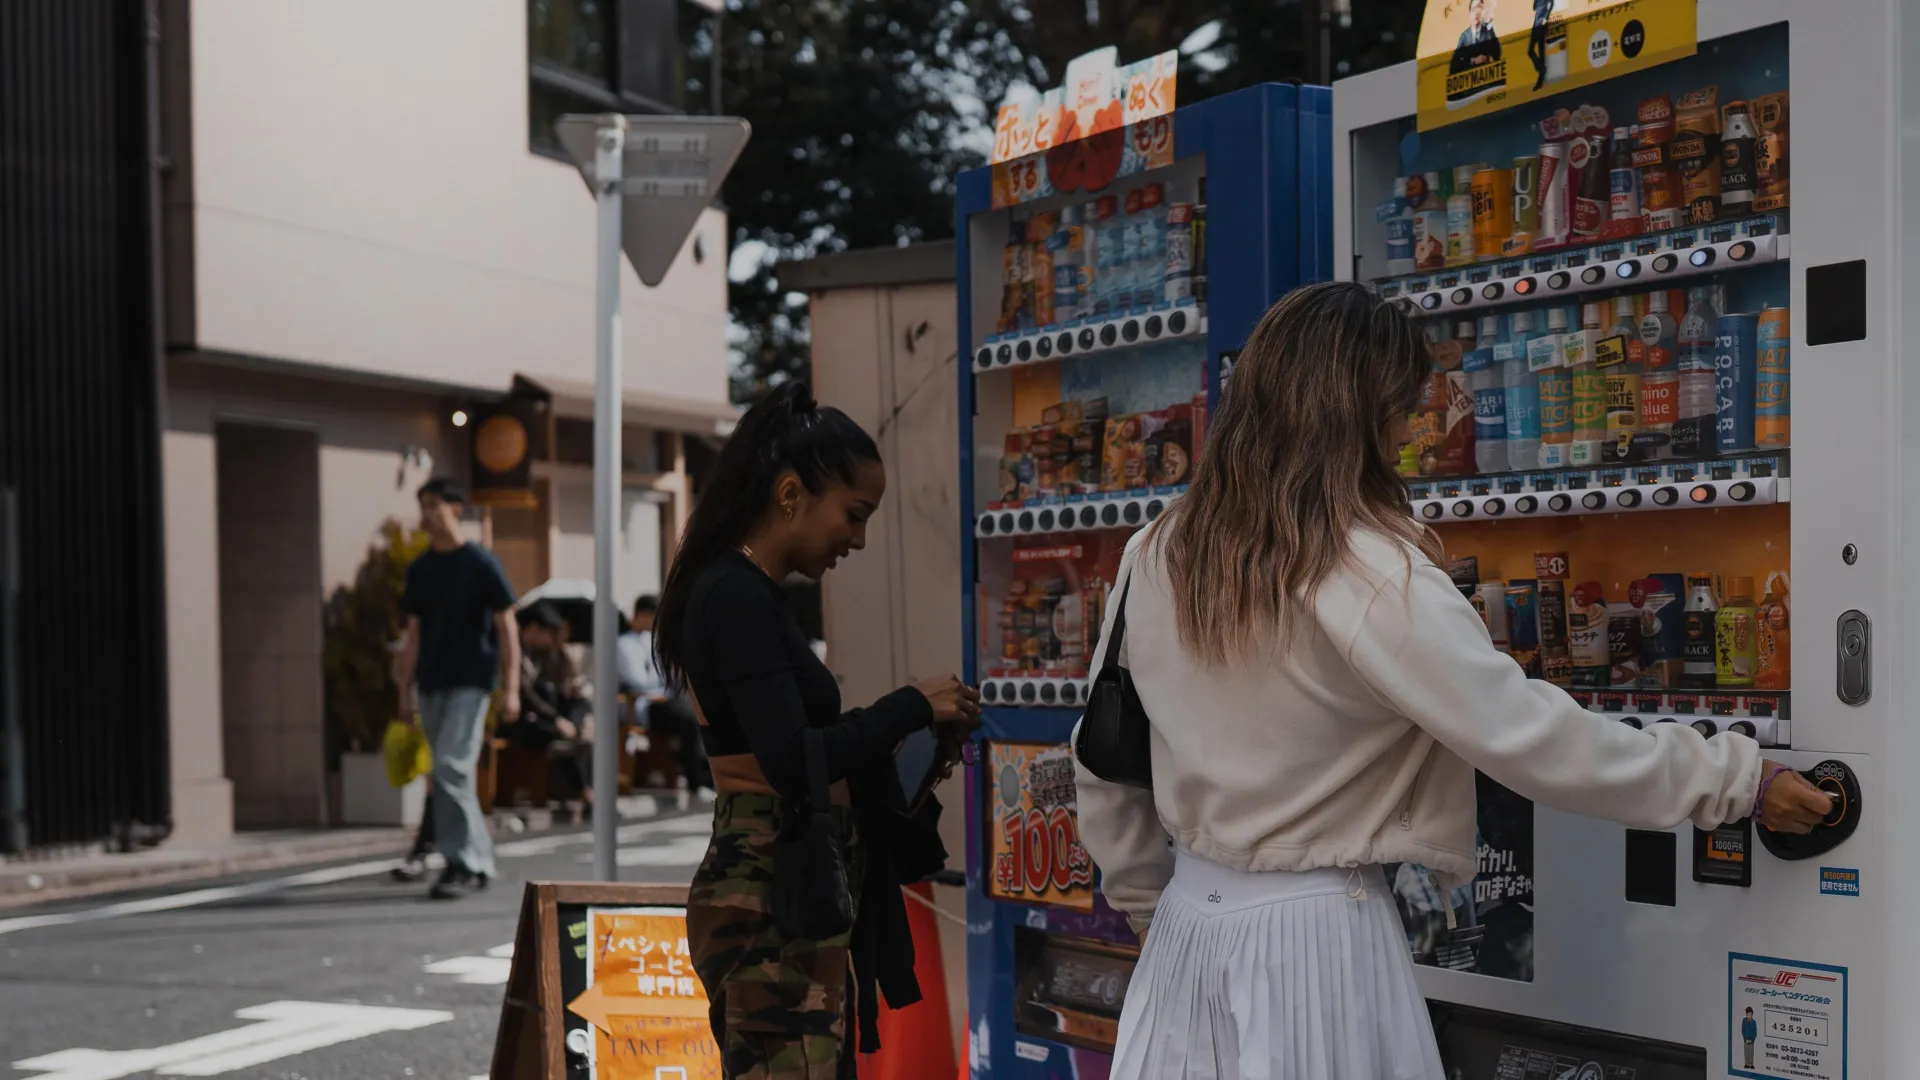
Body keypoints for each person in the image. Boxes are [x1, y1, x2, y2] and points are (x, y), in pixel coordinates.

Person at [1070, 282, 1836, 1080]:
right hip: (1315, 939)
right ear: (1359, 414)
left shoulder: (1156, 550)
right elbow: (1533, 739)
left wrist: (1148, 904)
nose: (1411, 434)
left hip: (1186, 931)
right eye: (1403, 409)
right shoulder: (1369, 571)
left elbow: (1101, 755)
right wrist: (1735, 779)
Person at [655, 382, 980, 1078]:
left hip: (785, 880)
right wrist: (910, 707)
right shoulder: (733, 594)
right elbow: (790, 760)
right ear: (791, 492)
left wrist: (925, 745)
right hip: (768, 885)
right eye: (853, 515)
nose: (857, 540)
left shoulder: (747, 592)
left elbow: (813, 759)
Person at [395, 478, 520, 901]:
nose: (426, 514)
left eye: (433, 505)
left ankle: (459, 863)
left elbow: (507, 627)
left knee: (450, 767)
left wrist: (513, 688)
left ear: (456, 509)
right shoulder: (421, 570)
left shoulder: (482, 564)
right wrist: (403, 691)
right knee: (450, 775)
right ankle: (479, 858)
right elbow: (412, 636)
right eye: (423, 505)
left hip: (472, 681)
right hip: (432, 683)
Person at [500, 602, 594, 812]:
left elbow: (565, 692)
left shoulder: (554, 655)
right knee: (561, 739)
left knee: (579, 710)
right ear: (533, 628)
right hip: (522, 719)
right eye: (549, 632)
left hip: (549, 718)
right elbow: (528, 695)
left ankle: (584, 790)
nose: (552, 638)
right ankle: (585, 793)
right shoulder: (517, 652)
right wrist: (556, 719)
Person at [620, 595, 713, 794]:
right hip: (645, 704)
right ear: (642, 615)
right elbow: (638, 681)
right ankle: (696, 781)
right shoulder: (624, 644)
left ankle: (706, 773)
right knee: (688, 723)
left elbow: (667, 674)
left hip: (666, 699)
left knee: (700, 714)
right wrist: (659, 682)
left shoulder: (653, 641)